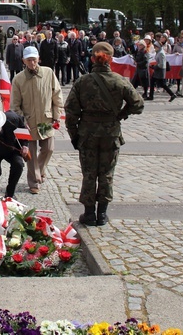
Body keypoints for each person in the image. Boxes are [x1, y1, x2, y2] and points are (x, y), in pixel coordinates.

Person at [64, 41, 144, 226]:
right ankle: (102, 214)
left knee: (89, 173)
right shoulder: (118, 80)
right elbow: (138, 104)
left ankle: (89, 214)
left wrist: (74, 135)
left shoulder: (82, 82)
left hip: (87, 134)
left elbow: (71, 112)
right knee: (107, 173)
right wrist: (120, 115)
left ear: (93, 58)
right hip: (111, 134)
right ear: (110, 59)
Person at [10, 45, 63, 195]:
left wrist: (57, 114)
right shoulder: (18, 79)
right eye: (29, 60)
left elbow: (57, 95)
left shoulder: (48, 73)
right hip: (28, 122)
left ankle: (39, 170)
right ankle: (33, 182)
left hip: (46, 120)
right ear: (23, 61)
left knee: (49, 148)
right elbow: (14, 105)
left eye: (34, 59)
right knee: (30, 153)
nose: (32, 63)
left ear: (39, 59)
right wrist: (21, 121)